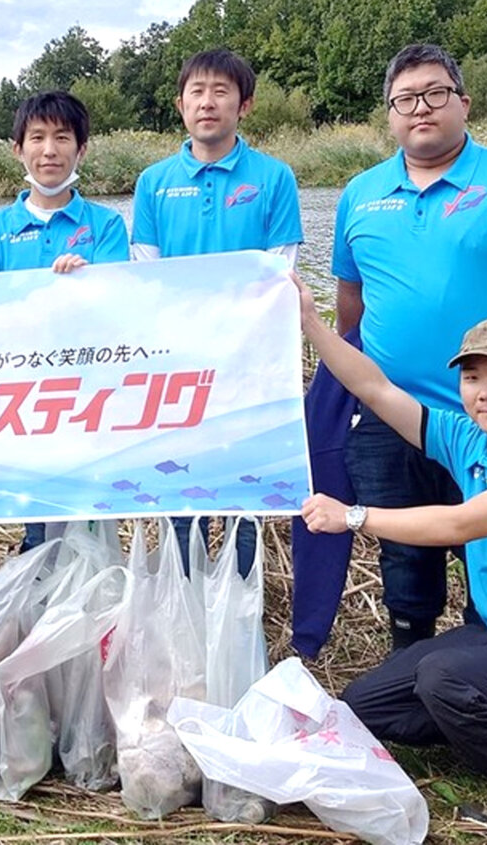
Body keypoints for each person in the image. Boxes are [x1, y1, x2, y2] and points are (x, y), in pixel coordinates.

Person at [297, 279, 487, 819]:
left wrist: (352, 517)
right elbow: (375, 390)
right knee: (362, 706)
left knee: (444, 678)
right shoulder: (468, 440)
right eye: (472, 376)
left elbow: (458, 523)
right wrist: (312, 325)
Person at [332, 43, 487, 649]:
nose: (421, 108)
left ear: (463, 103)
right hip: (391, 417)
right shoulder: (359, 193)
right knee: (405, 560)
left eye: (435, 94)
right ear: (389, 114)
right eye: (405, 99)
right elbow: (349, 304)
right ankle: (410, 668)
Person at [131, 48, 303, 574]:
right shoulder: (153, 183)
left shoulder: (274, 178)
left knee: (242, 502)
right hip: (178, 367)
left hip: (249, 369)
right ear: (181, 104)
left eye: (221, 91)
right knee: (179, 494)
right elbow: (147, 279)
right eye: (197, 92)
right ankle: (180, 612)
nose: (208, 103)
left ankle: (239, 611)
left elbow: (279, 274)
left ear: (244, 105)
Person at [0, 90, 129, 550]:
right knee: (38, 520)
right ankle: (39, 602)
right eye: (36, 137)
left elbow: (118, 308)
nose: (49, 150)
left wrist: (87, 284)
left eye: (62, 137)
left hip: (90, 393)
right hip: (19, 397)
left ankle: (94, 611)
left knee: (92, 512)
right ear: (18, 148)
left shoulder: (106, 226)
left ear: (82, 148)